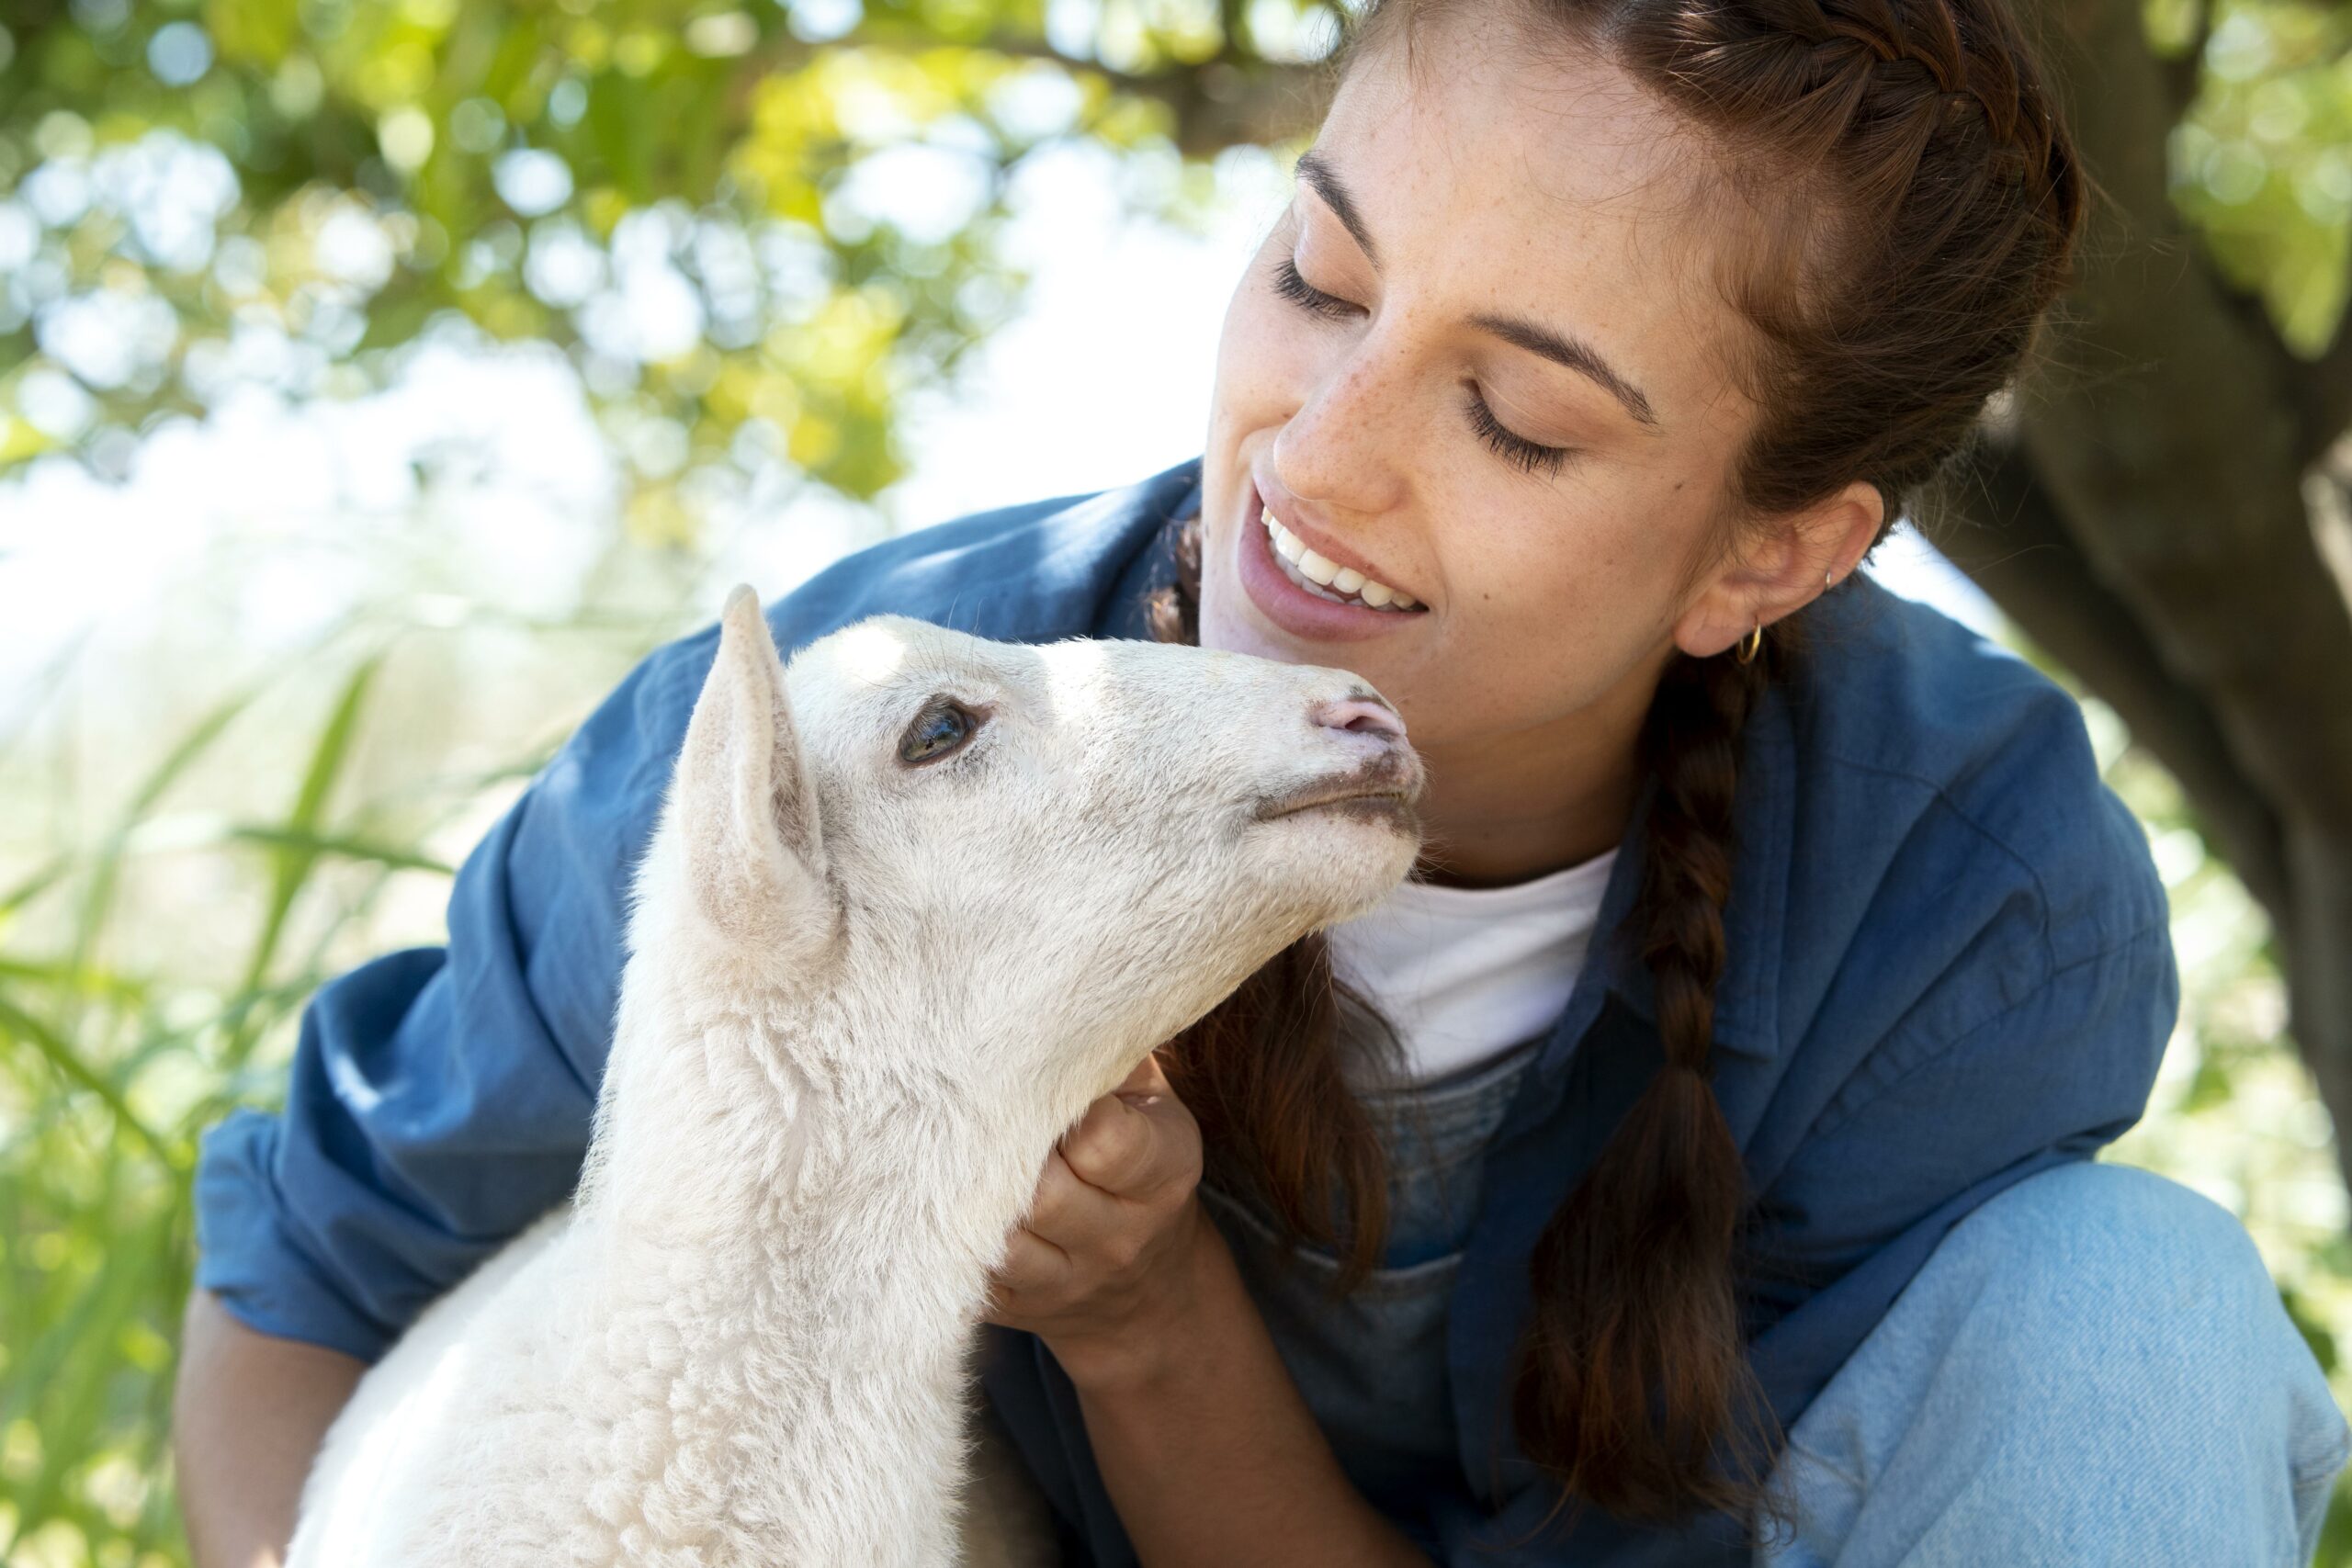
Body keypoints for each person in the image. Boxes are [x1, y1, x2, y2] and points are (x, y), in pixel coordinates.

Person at [172, 0, 2352, 1561]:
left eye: (1514, 419)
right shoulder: (839, 758)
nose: (1309, 462)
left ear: (1767, 554)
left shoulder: (1956, 905)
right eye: (1316, 276)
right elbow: (303, 1286)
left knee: (2128, 1302)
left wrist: (1143, 1321)